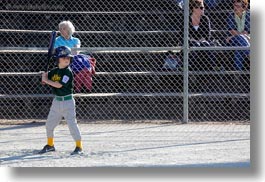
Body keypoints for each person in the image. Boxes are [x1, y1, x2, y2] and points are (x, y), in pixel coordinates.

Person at [39, 46, 83, 155]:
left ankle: (79, 146)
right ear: (57, 59)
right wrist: (44, 77)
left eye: (68, 57)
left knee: (72, 124)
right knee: (49, 125)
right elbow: (46, 79)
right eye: (63, 57)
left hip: (67, 102)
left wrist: (46, 80)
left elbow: (58, 85)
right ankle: (50, 145)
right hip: (56, 102)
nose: (66, 59)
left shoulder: (68, 72)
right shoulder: (54, 72)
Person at [55, 20, 96, 92]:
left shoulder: (76, 40)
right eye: (60, 28)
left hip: (75, 58)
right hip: (64, 59)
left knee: (82, 59)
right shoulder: (57, 40)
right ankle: (85, 87)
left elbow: (76, 51)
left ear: (69, 29)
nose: (60, 30)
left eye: (63, 28)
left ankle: (80, 87)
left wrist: (66, 50)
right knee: (83, 64)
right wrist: (70, 51)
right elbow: (57, 52)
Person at [188, 0, 217, 71]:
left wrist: (201, 39)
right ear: (194, 8)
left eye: (203, 7)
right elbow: (182, 34)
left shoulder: (205, 19)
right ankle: (191, 68)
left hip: (202, 41)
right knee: (195, 45)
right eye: (201, 8)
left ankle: (210, 68)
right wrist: (190, 39)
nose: (203, 9)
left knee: (205, 44)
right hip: (190, 42)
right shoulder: (187, 19)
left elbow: (207, 34)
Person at [226, 0, 250, 71]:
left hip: (245, 40)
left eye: (238, 6)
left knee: (238, 49)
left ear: (244, 8)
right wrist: (238, 35)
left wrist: (236, 35)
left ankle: (237, 74)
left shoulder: (248, 15)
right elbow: (231, 31)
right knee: (240, 38)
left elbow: (246, 31)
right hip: (233, 40)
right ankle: (250, 56)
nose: (235, 8)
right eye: (234, 5)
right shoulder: (231, 15)